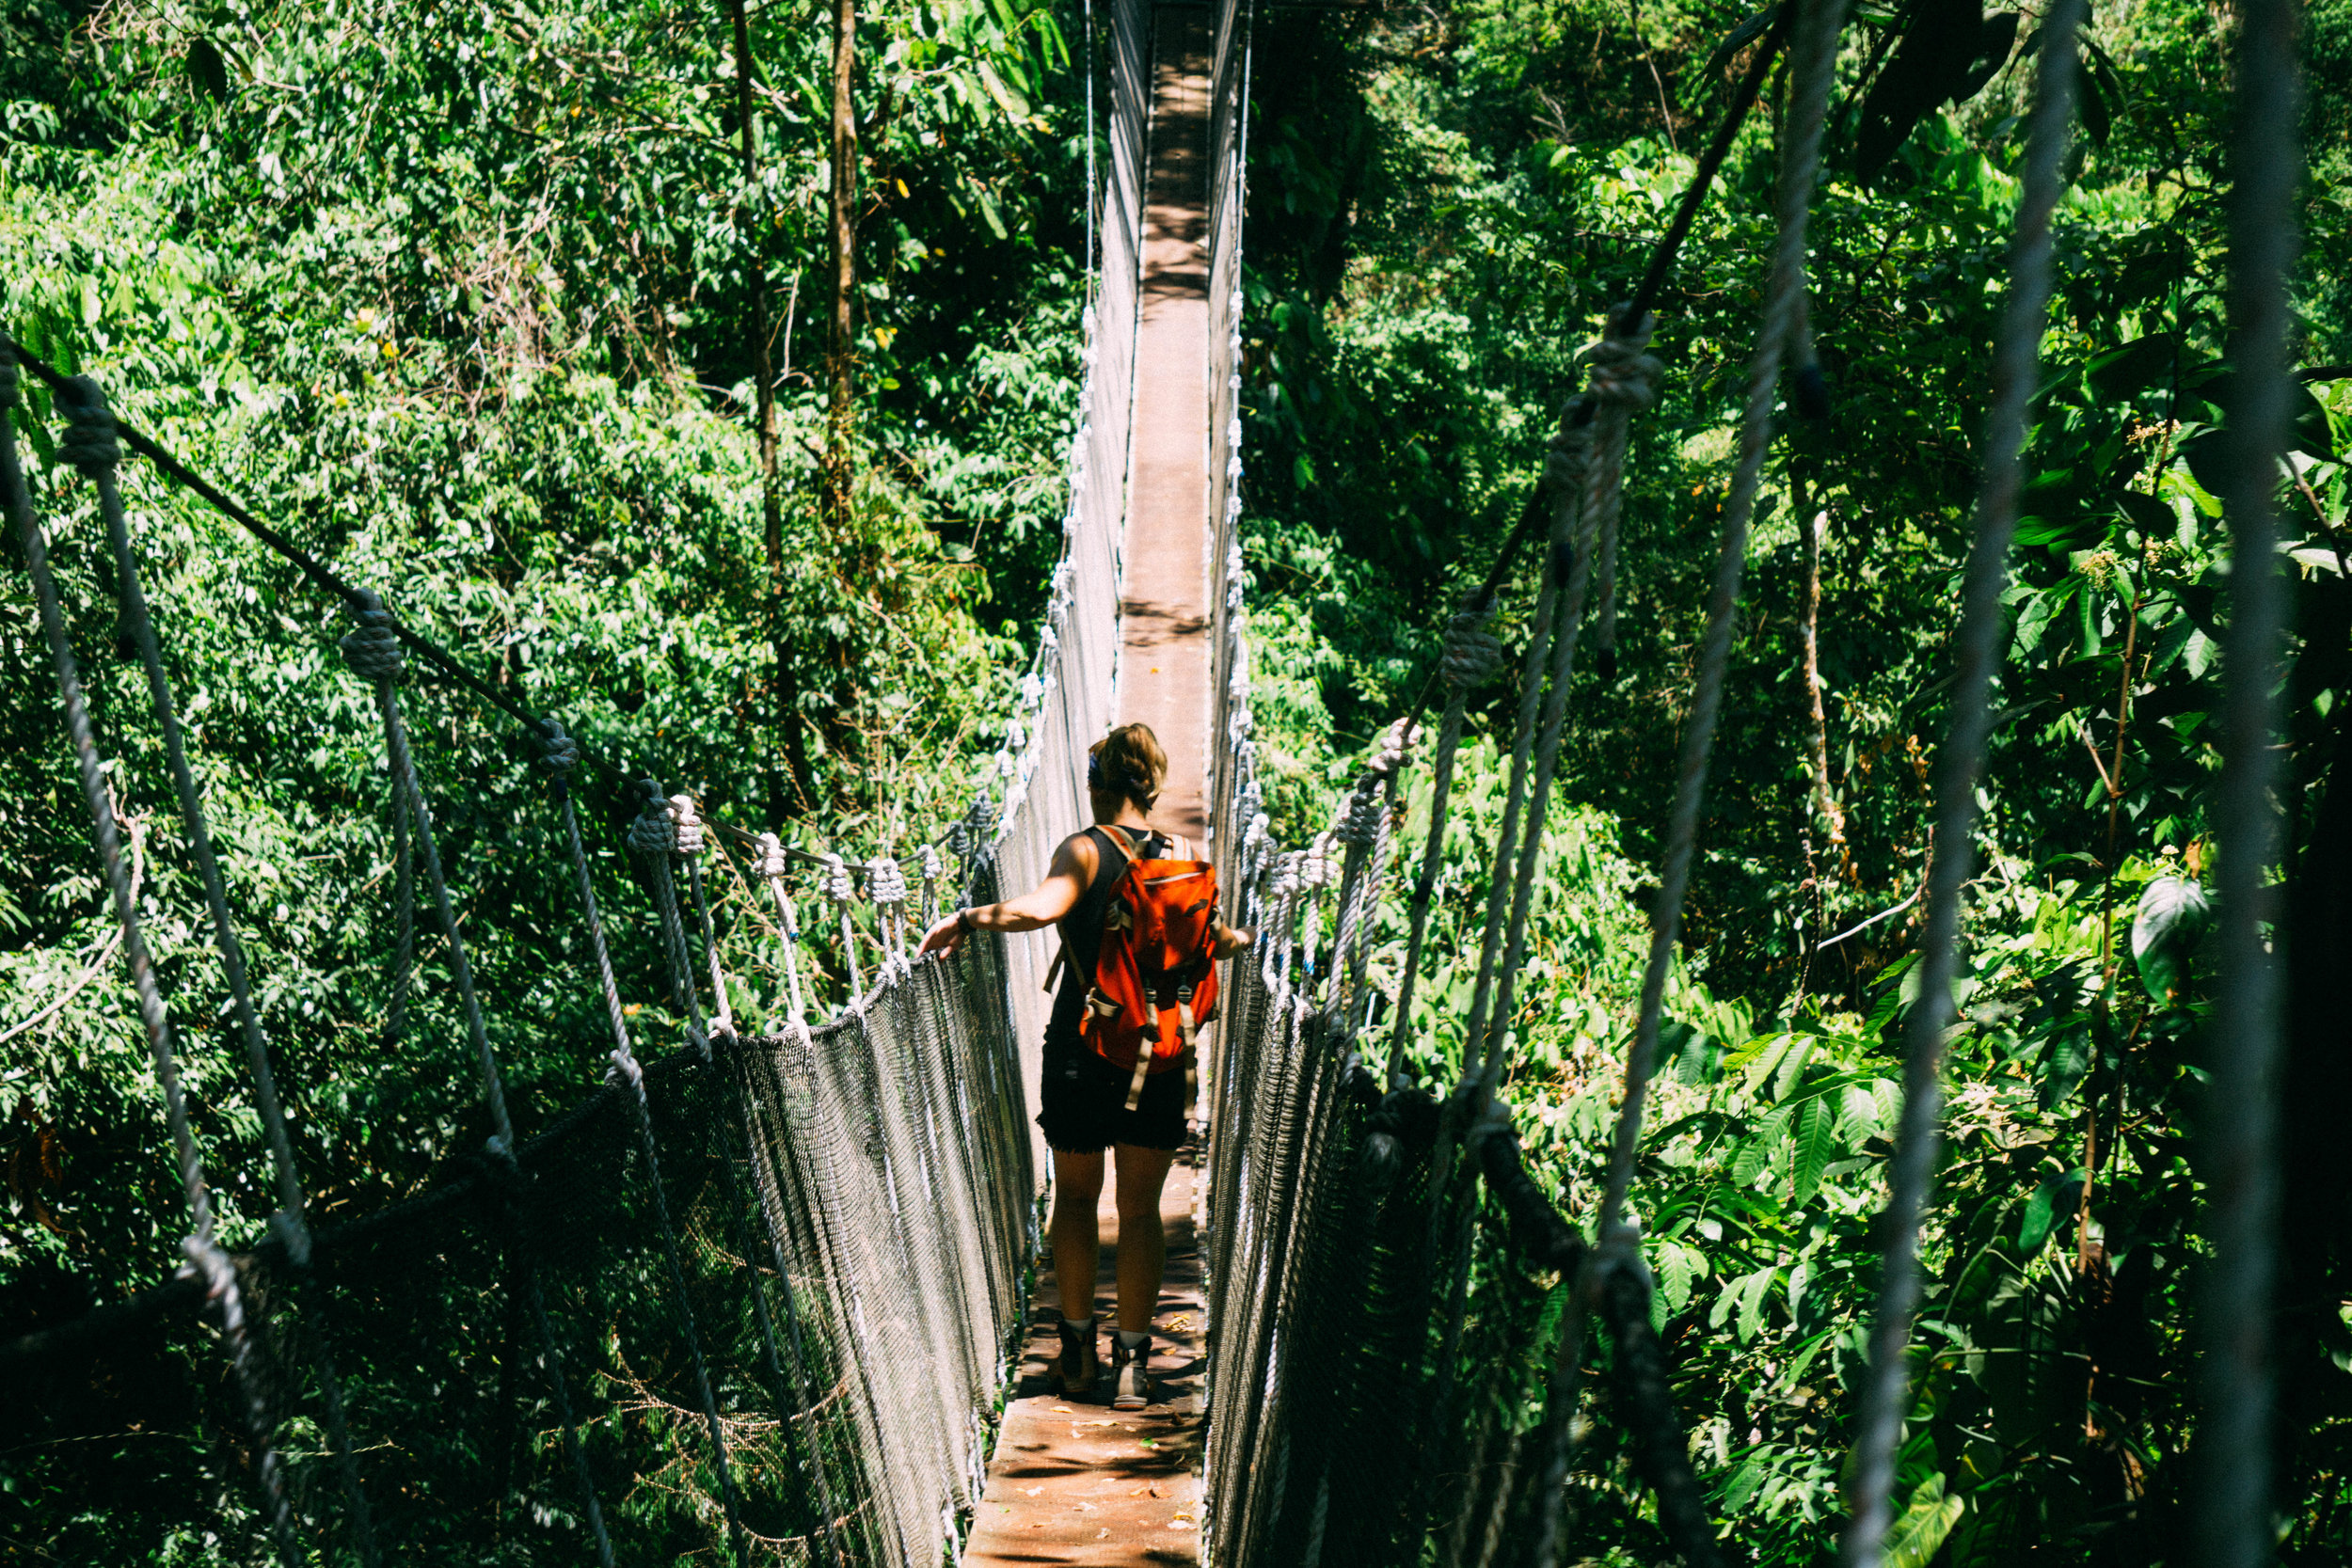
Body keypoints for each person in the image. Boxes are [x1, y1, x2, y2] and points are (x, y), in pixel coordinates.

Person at [919, 722, 1250, 1408]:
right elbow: (1214, 941)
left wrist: (971, 918)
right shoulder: (1188, 857)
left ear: (1100, 780)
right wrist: (1259, 939)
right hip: (1160, 1054)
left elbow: (1043, 908)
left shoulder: (1084, 849)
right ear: (1151, 786)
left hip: (1083, 1047)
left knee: (1074, 1196)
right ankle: (1132, 1366)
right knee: (1141, 1209)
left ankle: (1076, 1355)